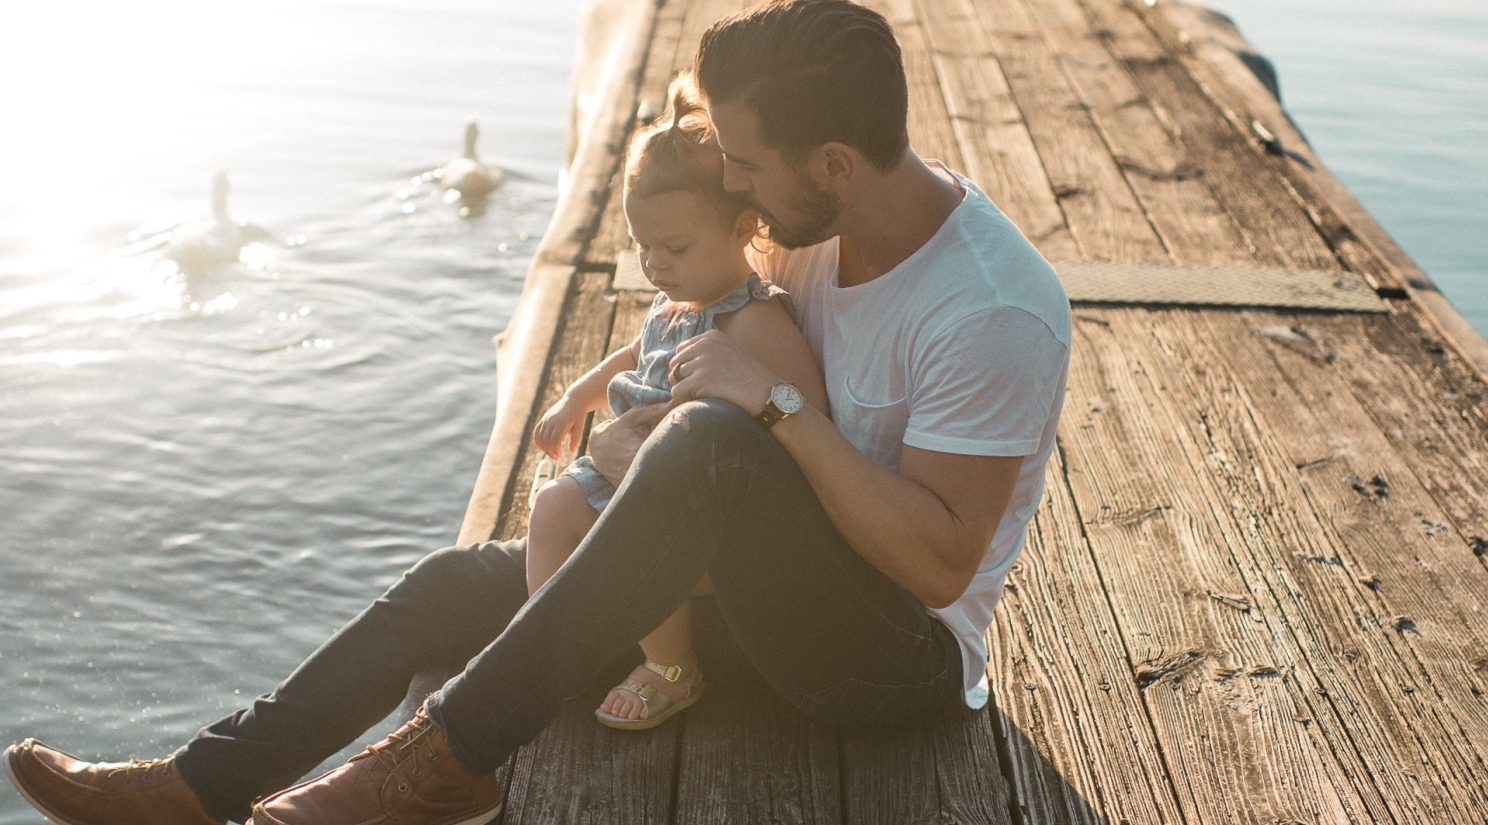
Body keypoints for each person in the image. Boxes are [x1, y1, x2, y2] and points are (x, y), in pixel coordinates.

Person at [2, 1, 1070, 823]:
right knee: (449, 586)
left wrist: (777, 408)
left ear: (831, 164)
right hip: (746, 587)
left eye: (745, 163)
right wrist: (611, 370)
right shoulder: (811, 219)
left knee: (704, 445)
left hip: (884, 657)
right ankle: (202, 784)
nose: (728, 180)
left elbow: (937, 566)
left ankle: (438, 762)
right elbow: (721, 310)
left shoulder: (992, 309)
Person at [526, 75, 828, 730]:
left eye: (675, 247)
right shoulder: (677, 302)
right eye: (642, 248)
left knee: (637, 539)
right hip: (625, 463)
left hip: (690, 499)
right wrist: (577, 398)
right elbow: (635, 353)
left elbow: (808, 414)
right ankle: (553, 648)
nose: (655, 265)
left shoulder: (754, 321)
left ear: (744, 225)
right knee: (550, 508)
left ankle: (672, 665)